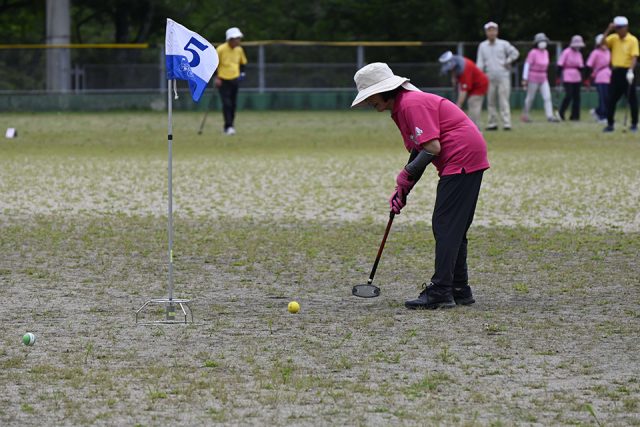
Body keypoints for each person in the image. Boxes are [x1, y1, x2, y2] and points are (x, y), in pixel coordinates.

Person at [350, 62, 490, 310]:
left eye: (371, 97)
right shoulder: (401, 106)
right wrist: (404, 187)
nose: (371, 104)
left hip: (462, 157)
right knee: (453, 226)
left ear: (385, 90)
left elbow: (432, 148)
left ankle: (441, 291)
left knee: (445, 225)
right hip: (466, 156)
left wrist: (406, 173)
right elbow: (419, 148)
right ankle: (459, 289)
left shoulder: (410, 103)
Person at [476, 21, 520, 130]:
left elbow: (515, 53)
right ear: (486, 32)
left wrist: (508, 61)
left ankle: (506, 123)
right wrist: (479, 76)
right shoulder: (482, 46)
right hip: (488, 76)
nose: (491, 33)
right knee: (491, 101)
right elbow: (480, 63)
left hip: (503, 75)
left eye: (493, 30)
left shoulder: (503, 44)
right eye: (489, 30)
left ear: (497, 31)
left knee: (503, 100)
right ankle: (492, 123)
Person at [601, 16, 638, 132]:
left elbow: (634, 57)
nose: (618, 30)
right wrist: (608, 30)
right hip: (616, 72)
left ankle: (634, 124)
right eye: (616, 28)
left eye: (620, 28)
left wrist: (631, 71)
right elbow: (602, 43)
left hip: (628, 72)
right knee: (611, 99)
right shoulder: (614, 38)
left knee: (632, 100)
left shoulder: (632, 40)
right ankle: (610, 123)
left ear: (626, 27)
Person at [439, 51, 489, 128]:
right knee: (470, 103)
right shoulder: (456, 63)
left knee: (473, 103)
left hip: (479, 85)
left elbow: (463, 90)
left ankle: (475, 128)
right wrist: (454, 78)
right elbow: (453, 72)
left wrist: (458, 105)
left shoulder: (465, 68)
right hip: (472, 85)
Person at [215, 27, 248, 135]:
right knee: (227, 103)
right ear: (230, 39)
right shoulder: (220, 49)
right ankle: (228, 126)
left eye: (239, 38)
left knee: (233, 104)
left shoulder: (239, 50)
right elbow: (214, 64)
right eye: (236, 38)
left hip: (235, 79)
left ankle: (230, 125)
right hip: (223, 80)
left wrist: (242, 74)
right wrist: (217, 77)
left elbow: (242, 63)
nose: (238, 41)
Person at [521, 33, 559, 123]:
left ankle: (550, 116)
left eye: (544, 41)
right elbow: (527, 65)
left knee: (547, 97)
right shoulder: (533, 52)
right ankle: (525, 115)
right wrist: (525, 78)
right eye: (541, 41)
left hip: (543, 77)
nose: (543, 43)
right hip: (533, 76)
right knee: (530, 98)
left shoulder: (546, 52)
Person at [557, 35, 585, 121]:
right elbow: (560, 65)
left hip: (577, 76)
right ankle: (561, 112)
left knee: (577, 97)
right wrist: (558, 77)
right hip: (567, 76)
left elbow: (581, 66)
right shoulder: (566, 52)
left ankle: (575, 115)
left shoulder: (579, 54)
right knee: (568, 95)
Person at [586, 34, 611, 123]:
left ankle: (598, 111)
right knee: (603, 97)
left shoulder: (608, 52)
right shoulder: (595, 52)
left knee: (608, 97)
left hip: (608, 76)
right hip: (600, 77)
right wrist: (588, 78)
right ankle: (602, 116)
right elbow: (589, 65)